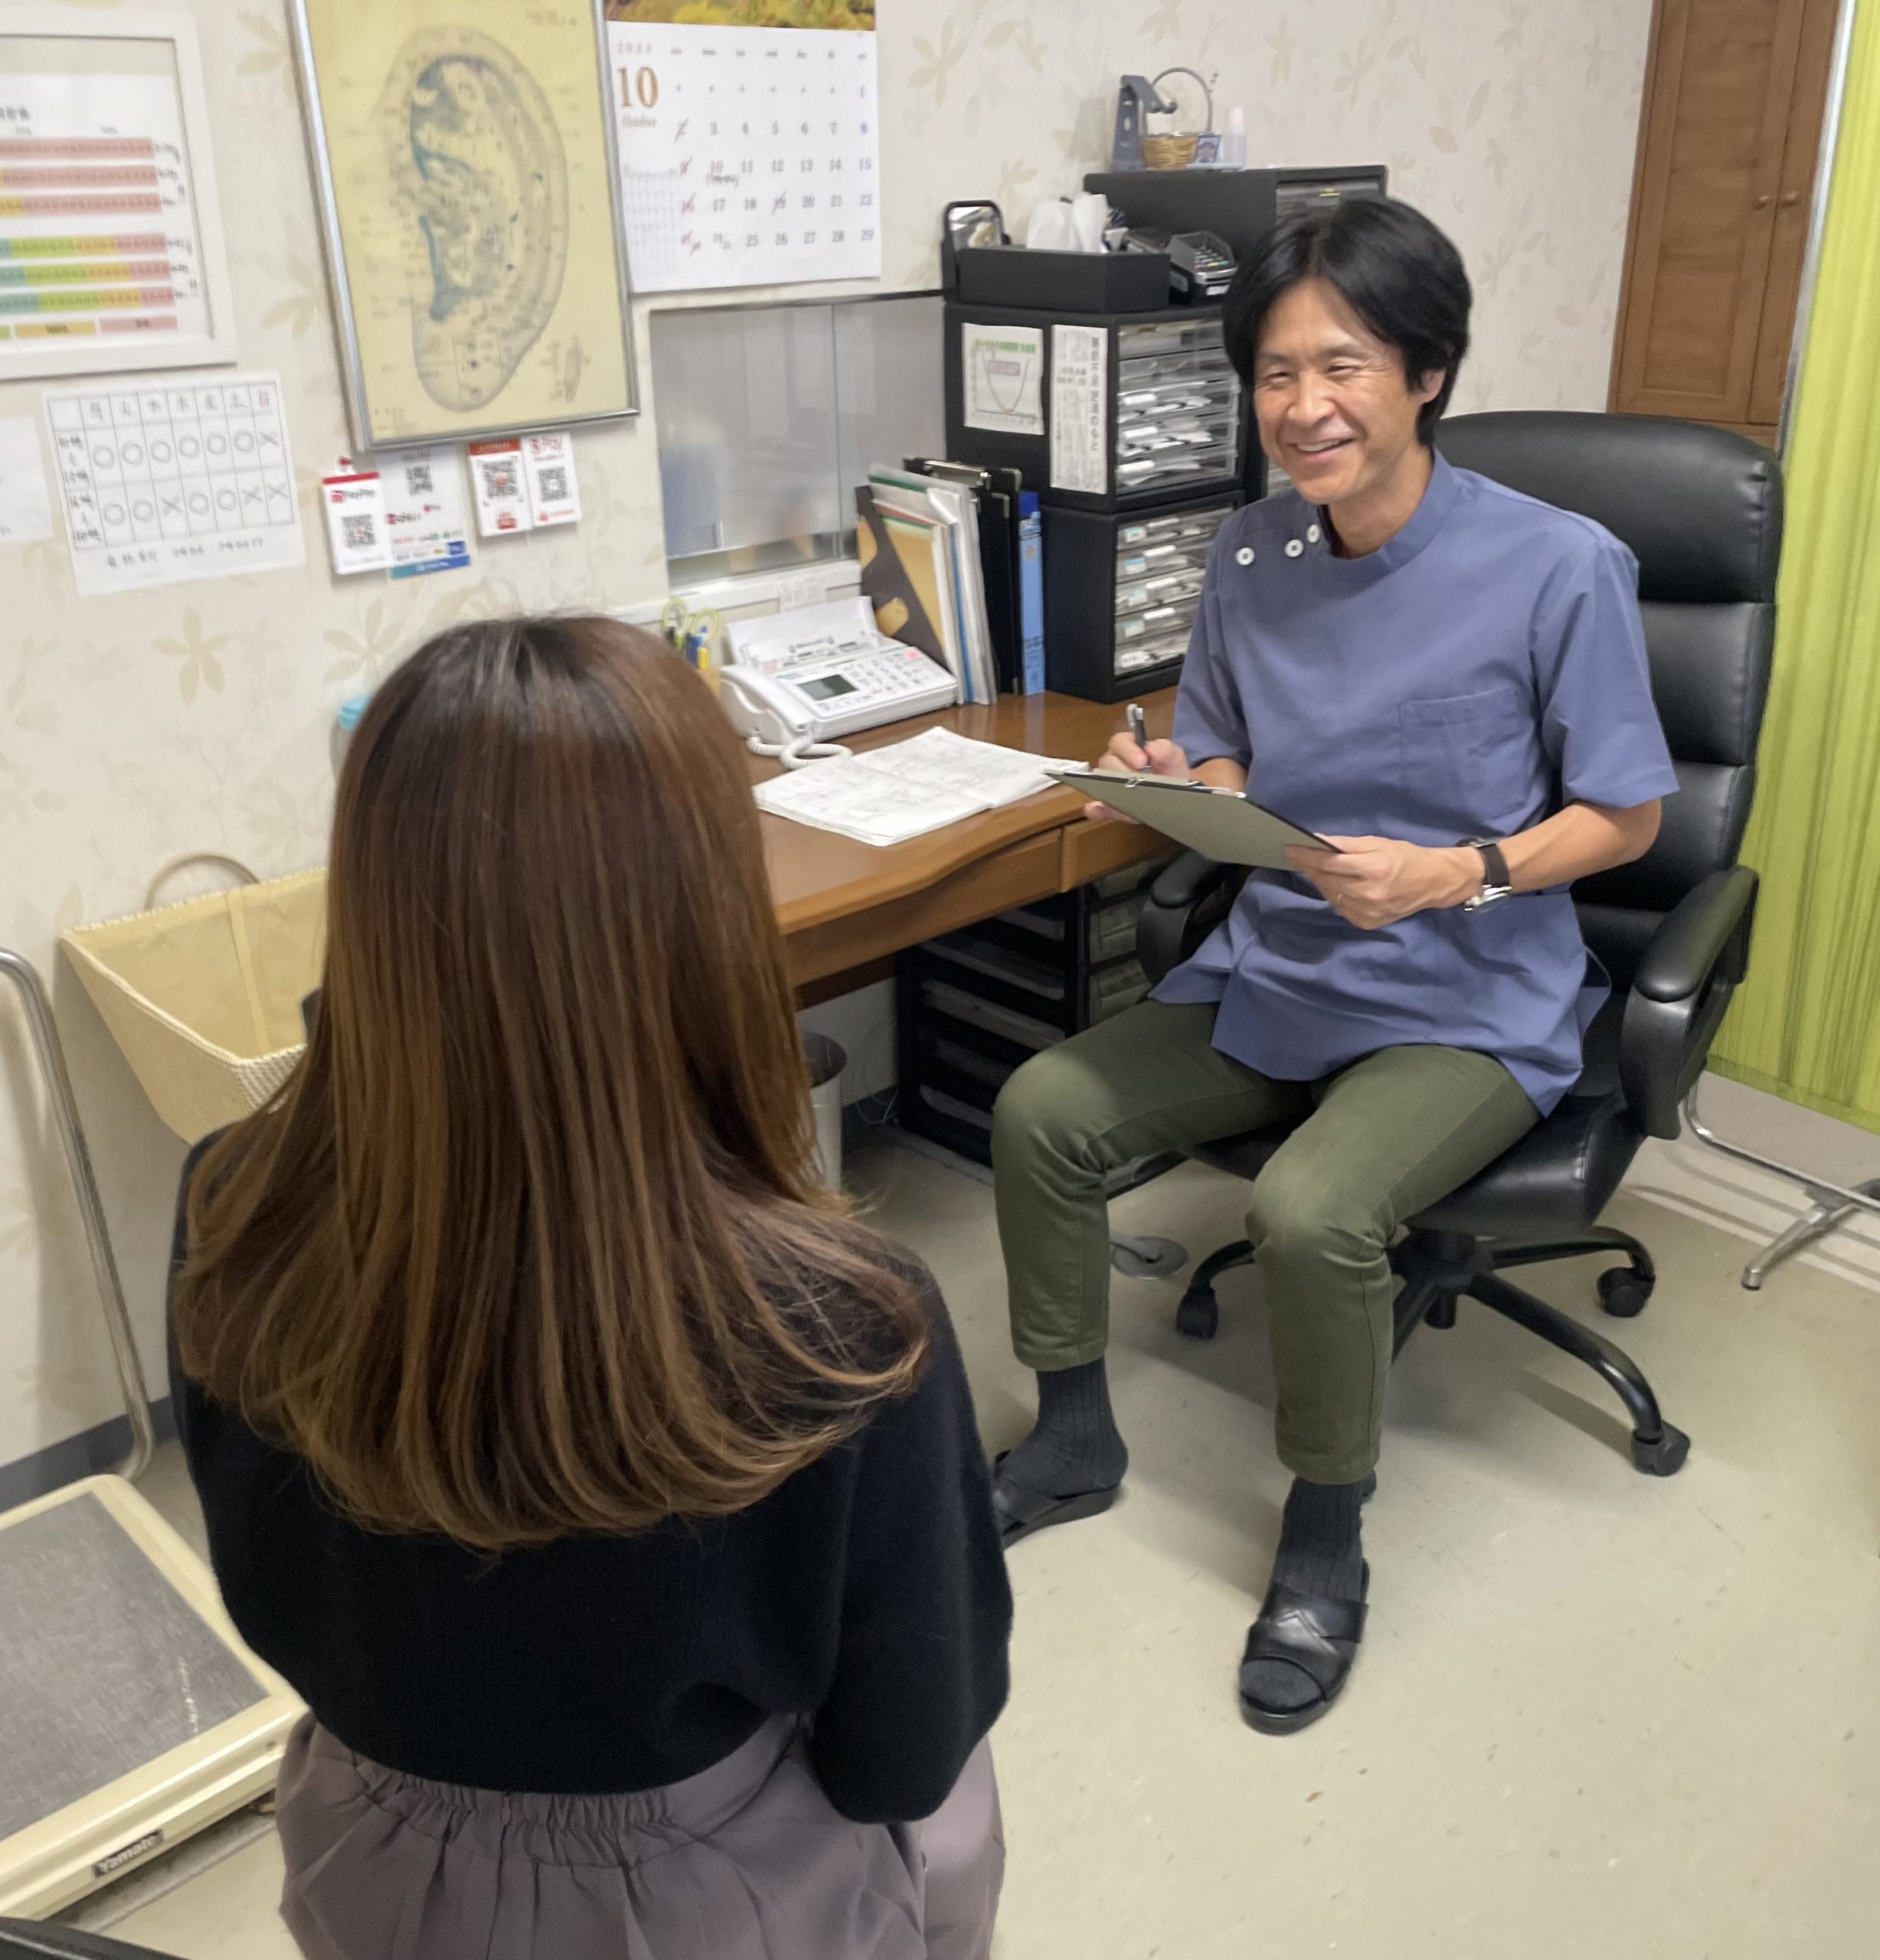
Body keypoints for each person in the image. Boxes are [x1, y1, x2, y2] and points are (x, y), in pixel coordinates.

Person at [169, 617, 1011, 1959]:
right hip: (696, 1905)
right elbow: (907, 1751)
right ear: (705, 912)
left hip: (365, 1854)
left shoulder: (231, 1200)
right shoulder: (845, 1327)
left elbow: (265, 1586)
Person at [988, 198, 1677, 1736]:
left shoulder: (1556, 566)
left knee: (1306, 1206)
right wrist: (1188, 775)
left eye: (1343, 366)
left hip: (1467, 992)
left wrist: (1463, 869)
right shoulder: (1251, 547)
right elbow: (1227, 734)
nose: (1303, 407)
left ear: (1423, 371)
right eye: (1274, 374)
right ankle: (1071, 1433)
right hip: (1287, 958)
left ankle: (1320, 1526)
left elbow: (1628, 813)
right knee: (1042, 1106)